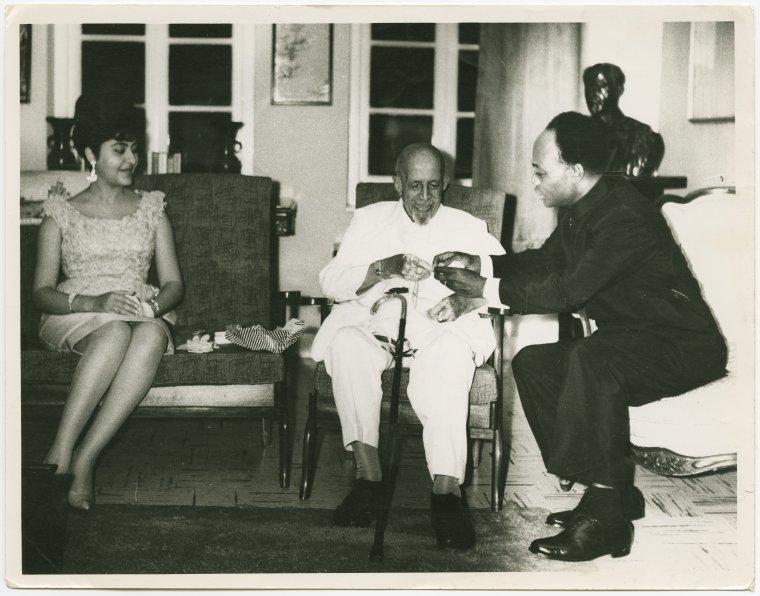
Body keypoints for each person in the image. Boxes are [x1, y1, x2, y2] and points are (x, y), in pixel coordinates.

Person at [433, 112, 726, 561]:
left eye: (540, 172)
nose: (534, 183)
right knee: (533, 362)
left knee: (592, 359)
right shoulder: (582, 211)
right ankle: (610, 496)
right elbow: (545, 262)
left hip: (683, 346)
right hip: (633, 340)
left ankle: (608, 524)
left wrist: (483, 291)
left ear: (574, 171)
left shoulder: (624, 214)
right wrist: (482, 263)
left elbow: (568, 290)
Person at [310, 143, 504, 549]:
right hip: (375, 324)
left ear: (446, 183)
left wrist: (464, 298)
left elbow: (507, 289)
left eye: (434, 186)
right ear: (397, 183)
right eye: (414, 186)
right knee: (345, 344)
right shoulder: (369, 220)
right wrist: (384, 267)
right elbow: (329, 281)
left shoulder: (468, 226)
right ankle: (368, 481)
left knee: (450, 357)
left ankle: (447, 496)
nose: (425, 198)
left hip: (439, 334)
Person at [33, 92, 184, 510]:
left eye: (134, 148)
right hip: (76, 309)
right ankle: (60, 452)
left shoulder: (153, 209)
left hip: (138, 307)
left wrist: (152, 309)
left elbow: (173, 284)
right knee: (114, 331)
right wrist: (93, 302)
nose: (131, 159)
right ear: (89, 154)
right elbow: (41, 292)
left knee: (151, 336)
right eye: (119, 149)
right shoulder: (60, 213)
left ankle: (83, 459)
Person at [583, 62, 665, 177]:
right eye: (589, 87)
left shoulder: (646, 138)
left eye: (600, 86)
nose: (593, 94)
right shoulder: (576, 135)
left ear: (619, 89)